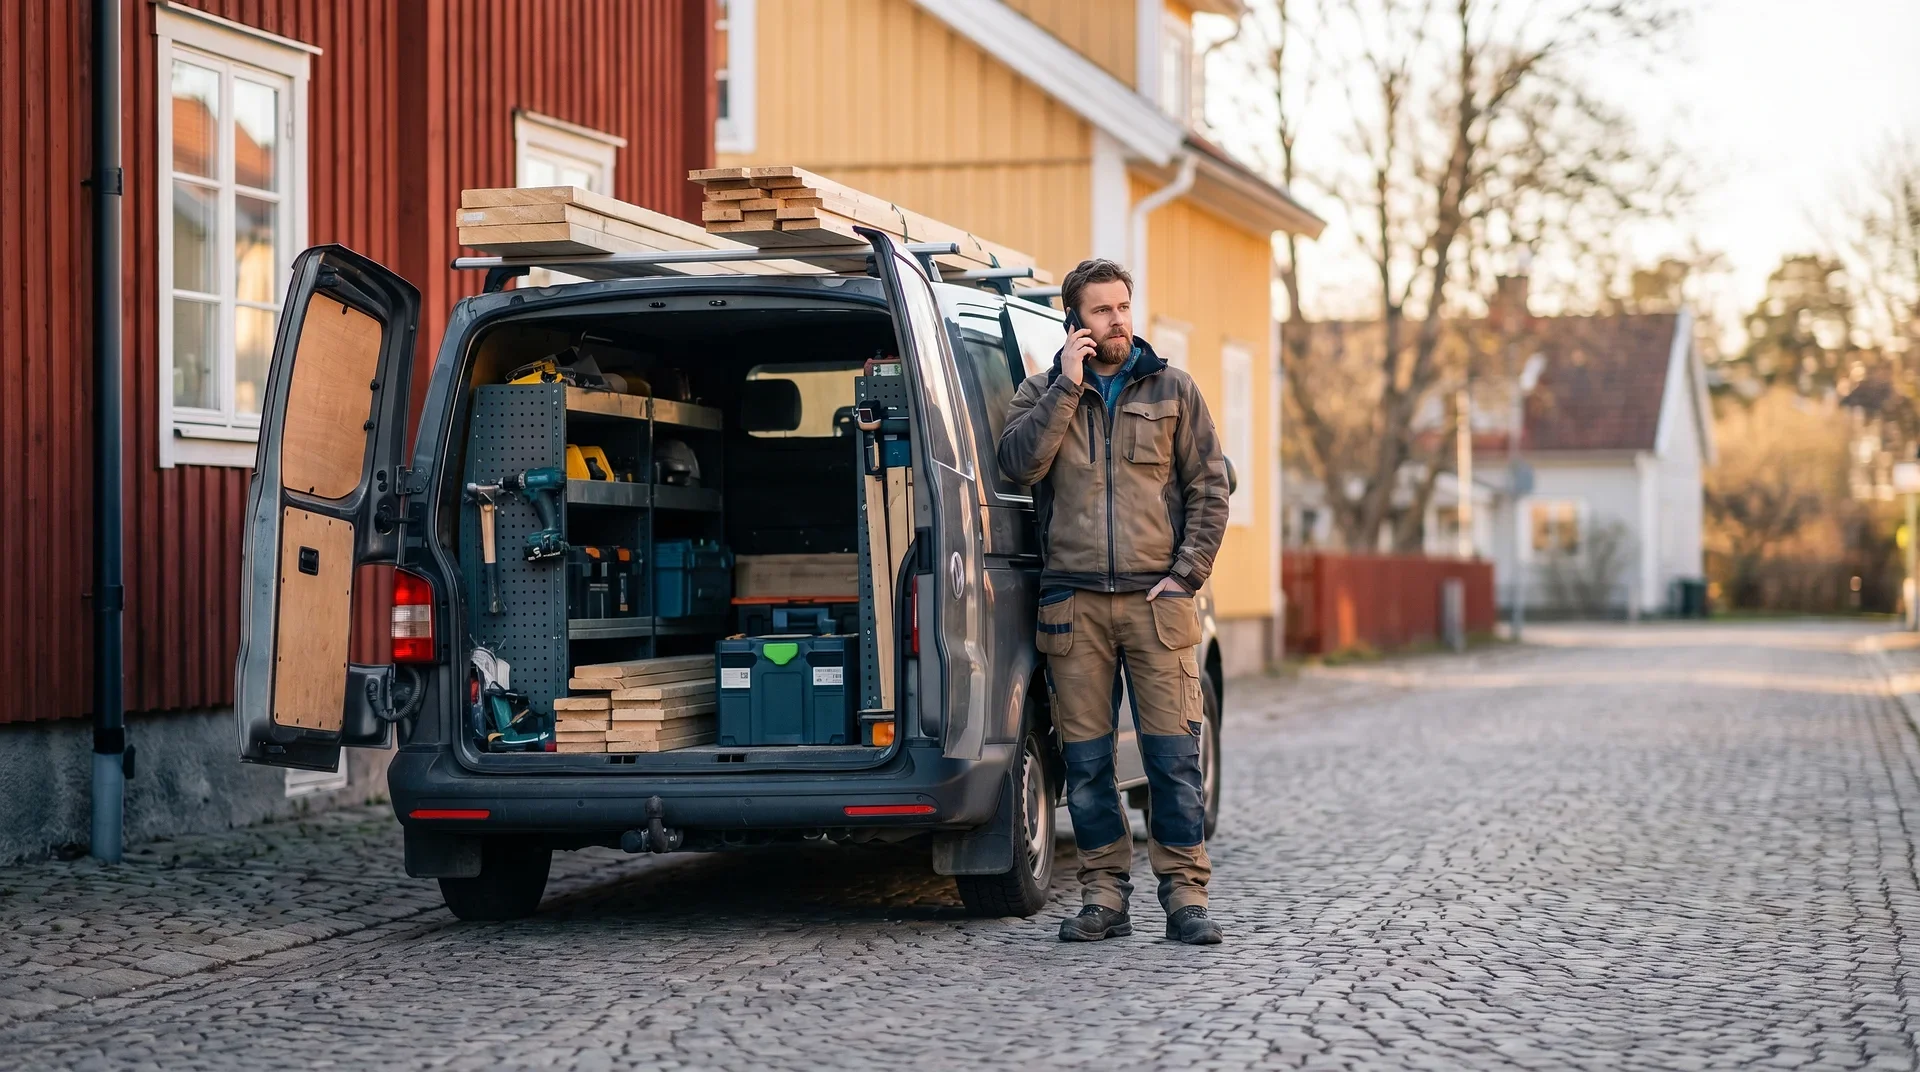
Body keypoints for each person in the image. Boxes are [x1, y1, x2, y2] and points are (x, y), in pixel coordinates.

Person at [997, 258, 1231, 945]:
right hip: (1074, 607)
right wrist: (1064, 390)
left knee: (1172, 758)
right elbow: (1017, 465)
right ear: (1075, 323)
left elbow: (1210, 489)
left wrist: (1187, 574)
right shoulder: (1040, 393)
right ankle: (1103, 895)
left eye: (1123, 306)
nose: (1117, 320)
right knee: (1089, 762)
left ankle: (1186, 898)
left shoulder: (1173, 389)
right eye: (1101, 311)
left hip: (1157, 603)